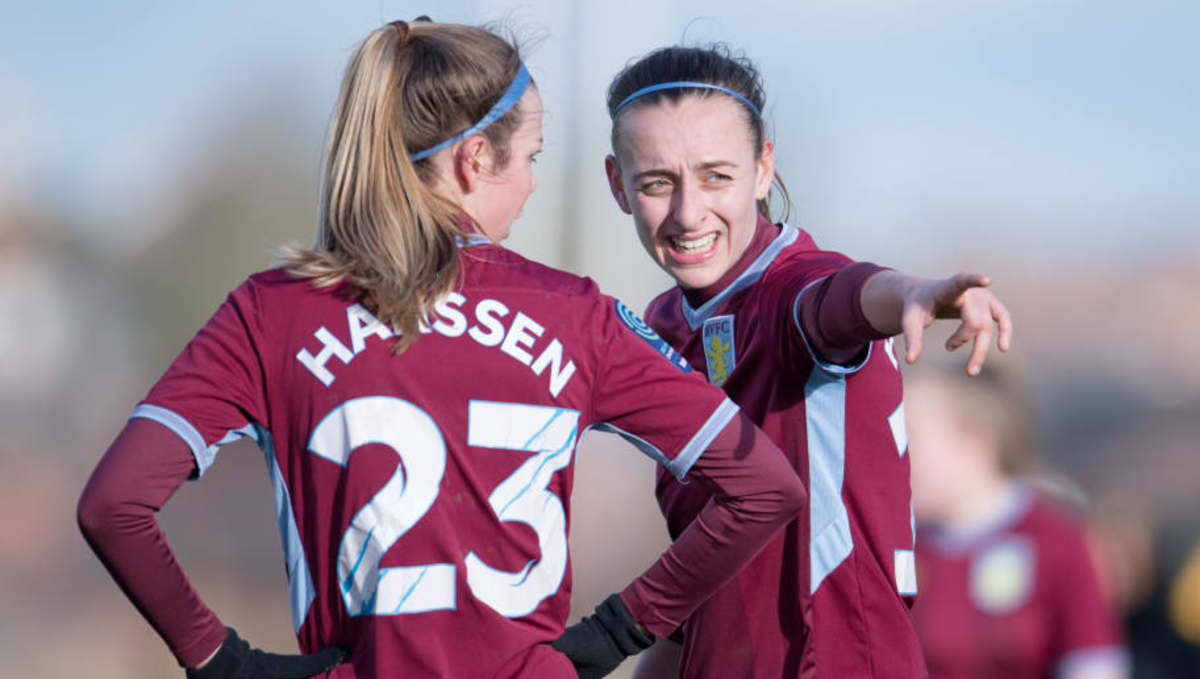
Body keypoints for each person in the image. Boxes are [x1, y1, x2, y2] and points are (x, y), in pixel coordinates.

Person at [76, 21, 808, 679]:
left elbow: (113, 505)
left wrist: (223, 661)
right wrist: (615, 633)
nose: (529, 186)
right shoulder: (578, 315)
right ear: (474, 157)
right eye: (530, 156)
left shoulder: (272, 310)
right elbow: (766, 488)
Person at [604, 45, 1012, 678]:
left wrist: (913, 292)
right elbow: (706, 579)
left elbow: (844, 298)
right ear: (617, 185)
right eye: (658, 182)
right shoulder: (661, 324)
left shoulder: (788, 288)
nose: (688, 214)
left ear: (764, 169)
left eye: (717, 176)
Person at [906, 364, 1129, 679]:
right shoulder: (899, 550)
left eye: (909, 436)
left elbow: (1094, 664)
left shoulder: (1057, 541)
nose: (895, 454)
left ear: (974, 441)